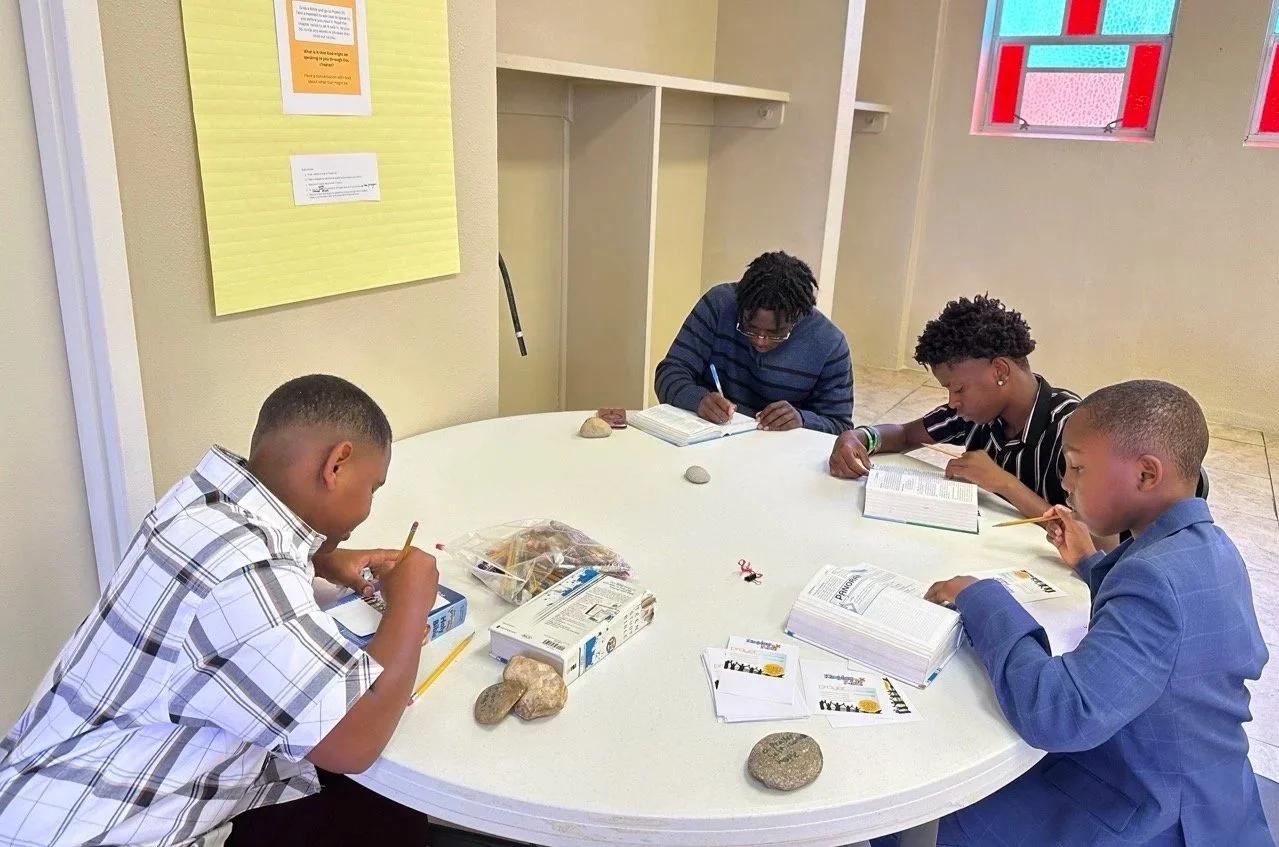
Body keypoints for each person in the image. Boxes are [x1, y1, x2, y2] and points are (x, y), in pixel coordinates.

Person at [0, 375, 439, 847]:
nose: (367, 510)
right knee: (382, 803)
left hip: (39, 794)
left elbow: (220, 582)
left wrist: (318, 559)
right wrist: (411, 601)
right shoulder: (248, 579)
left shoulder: (199, 502)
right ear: (337, 465)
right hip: (109, 830)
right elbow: (355, 742)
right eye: (372, 488)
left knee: (371, 808)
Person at [896, 380, 1272, 847]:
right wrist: (1090, 564)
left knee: (968, 809)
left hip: (1157, 811)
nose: (1065, 484)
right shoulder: (1209, 546)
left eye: (1076, 468)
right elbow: (1163, 637)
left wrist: (982, 597)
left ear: (1146, 475)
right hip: (1215, 792)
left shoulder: (1155, 581)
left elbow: (1058, 713)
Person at [830, 295, 1079, 518]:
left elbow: (1096, 540)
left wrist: (1004, 484)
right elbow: (904, 435)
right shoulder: (975, 414)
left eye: (958, 389)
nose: (952, 402)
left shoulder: (1073, 428)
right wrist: (858, 437)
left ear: (999, 371)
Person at [654, 250, 853, 434]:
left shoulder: (829, 344)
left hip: (780, 456)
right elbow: (669, 373)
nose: (760, 341)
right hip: (713, 438)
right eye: (749, 327)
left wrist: (802, 419)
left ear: (798, 318)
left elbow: (841, 427)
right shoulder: (719, 306)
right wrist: (698, 399)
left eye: (776, 333)